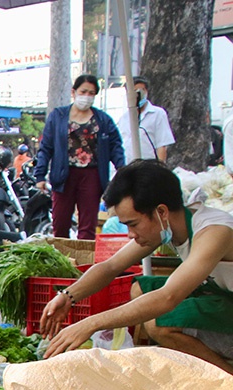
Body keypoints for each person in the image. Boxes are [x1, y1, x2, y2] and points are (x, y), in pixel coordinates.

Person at [42, 160, 233, 374]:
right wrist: (67, 296)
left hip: (227, 302)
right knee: (139, 288)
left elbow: (167, 297)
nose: (130, 234)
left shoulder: (214, 231)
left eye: (133, 224)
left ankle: (228, 379)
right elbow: (111, 266)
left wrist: (90, 324)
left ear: (161, 212)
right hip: (220, 297)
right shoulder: (168, 225)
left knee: (158, 322)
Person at [34, 74, 125, 240]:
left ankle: (85, 264)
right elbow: (46, 147)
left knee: (88, 225)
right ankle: (60, 260)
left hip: (92, 176)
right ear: (74, 91)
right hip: (63, 175)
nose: (87, 96)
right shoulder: (58, 116)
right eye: (83, 91)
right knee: (60, 223)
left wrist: (123, 170)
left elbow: (115, 147)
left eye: (91, 93)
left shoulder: (103, 120)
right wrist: (40, 175)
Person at [117, 77, 175, 164]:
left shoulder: (157, 114)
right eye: (134, 91)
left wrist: (159, 168)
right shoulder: (124, 118)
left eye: (141, 90)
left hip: (148, 167)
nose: (138, 94)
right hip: (128, 167)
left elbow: (161, 145)